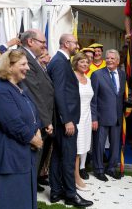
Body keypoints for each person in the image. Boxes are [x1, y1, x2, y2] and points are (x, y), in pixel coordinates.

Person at [0, 49, 43, 209]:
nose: (27, 68)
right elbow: (12, 123)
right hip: (7, 157)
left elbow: (32, 113)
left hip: (21, 154)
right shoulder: (0, 90)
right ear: (9, 66)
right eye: (23, 64)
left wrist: (37, 129)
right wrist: (34, 139)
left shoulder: (19, 87)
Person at [47, 34, 93, 207]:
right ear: (66, 44)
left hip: (63, 119)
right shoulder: (59, 62)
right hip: (64, 120)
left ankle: (56, 192)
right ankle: (71, 194)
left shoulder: (62, 60)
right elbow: (59, 92)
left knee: (58, 156)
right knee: (67, 157)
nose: (77, 45)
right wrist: (67, 120)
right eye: (75, 43)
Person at [19, 29, 54, 192]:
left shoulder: (32, 59)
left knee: (36, 158)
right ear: (30, 42)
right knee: (31, 159)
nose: (45, 46)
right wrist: (46, 120)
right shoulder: (23, 57)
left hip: (40, 117)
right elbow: (34, 92)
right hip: (35, 119)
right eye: (43, 42)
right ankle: (26, 190)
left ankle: (30, 188)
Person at [91, 49, 126, 181]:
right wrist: (94, 118)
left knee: (115, 144)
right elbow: (93, 100)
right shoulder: (97, 75)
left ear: (117, 61)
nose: (109, 60)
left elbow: (120, 96)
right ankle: (99, 170)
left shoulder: (122, 75)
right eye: (108, 58)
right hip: (101, 117)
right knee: (99, 145)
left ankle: (111, 168)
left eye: (112, 58)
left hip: (117, 116)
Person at [72, 52, 94, 189]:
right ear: (76, 63)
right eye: (82, 62)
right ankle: (75, 177)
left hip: (87, 118)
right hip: (76, 118)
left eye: (86, 62)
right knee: (76, 150)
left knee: (82, 149)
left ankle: (76, 173)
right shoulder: (72, 77)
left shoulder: (88, 78)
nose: (85, 64)